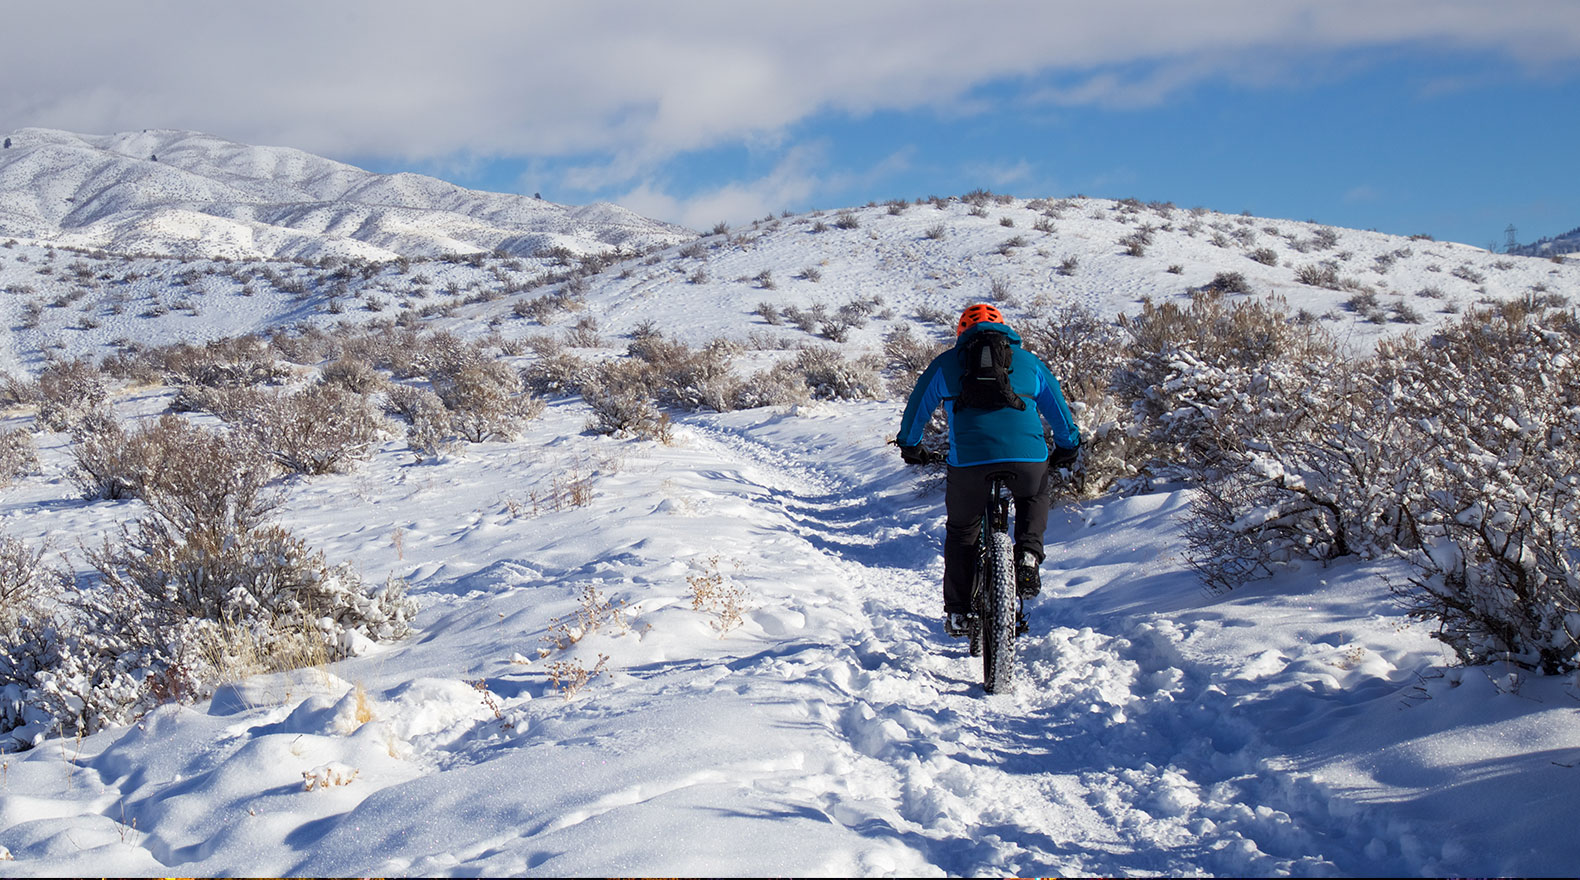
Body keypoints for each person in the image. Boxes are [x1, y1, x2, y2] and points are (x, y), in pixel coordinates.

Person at [895, 303, 1081, 637]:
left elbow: (916, 408)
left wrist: (910, 445)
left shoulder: (946, 364)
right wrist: (1068, 446)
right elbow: (1060, 414)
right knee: (1033, 495)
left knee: (962, 531)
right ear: (1005, 330)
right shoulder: (1029, 362)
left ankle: (958, 612)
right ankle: (1026, 555)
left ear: (961, 333)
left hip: (969, 463)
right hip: (1027, 459)